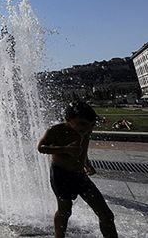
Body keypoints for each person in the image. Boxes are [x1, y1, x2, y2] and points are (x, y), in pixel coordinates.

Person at [37, 100, 117, 238]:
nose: (87, 129)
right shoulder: (56, 131)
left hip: (79, 175)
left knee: (106, 215)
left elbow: (82, 149)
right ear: (68, 119)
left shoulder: (85, 131)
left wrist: (86, 163)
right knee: (65, 211)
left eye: (91, 125)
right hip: (61, 175)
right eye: (82, 124)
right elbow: (41, 148)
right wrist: (65, 149)